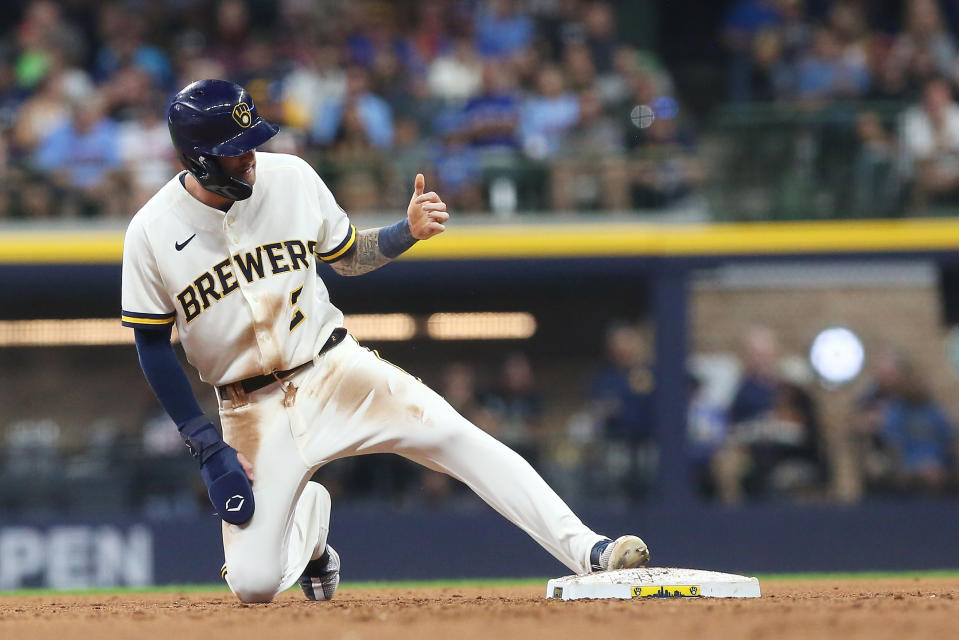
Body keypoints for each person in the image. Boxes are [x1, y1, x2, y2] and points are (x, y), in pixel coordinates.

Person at [120, 79, 648, 604]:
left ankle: (591, 551)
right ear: (198, 158)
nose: (251, 156)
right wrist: (208, 447)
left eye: (252, 141)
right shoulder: (151, 232)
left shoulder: (293, 177)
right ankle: (311, 534)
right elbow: (151, 345)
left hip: (332, 369)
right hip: (249, 408)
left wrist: (405, 232)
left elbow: (346, 255)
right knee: (254, 585)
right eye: (235, 152)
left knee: (452, 434)